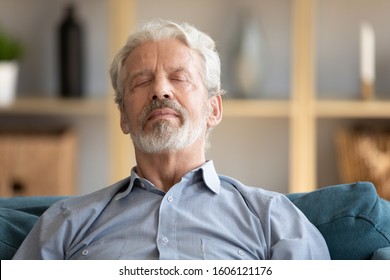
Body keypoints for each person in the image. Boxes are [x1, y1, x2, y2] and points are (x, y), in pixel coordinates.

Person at [13, 19, 330, 260]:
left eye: (179, 77)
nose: (160, 90)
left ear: (213, 109)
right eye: (141, 81)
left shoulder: (273, 218)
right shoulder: (68, 222)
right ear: (123, 115)